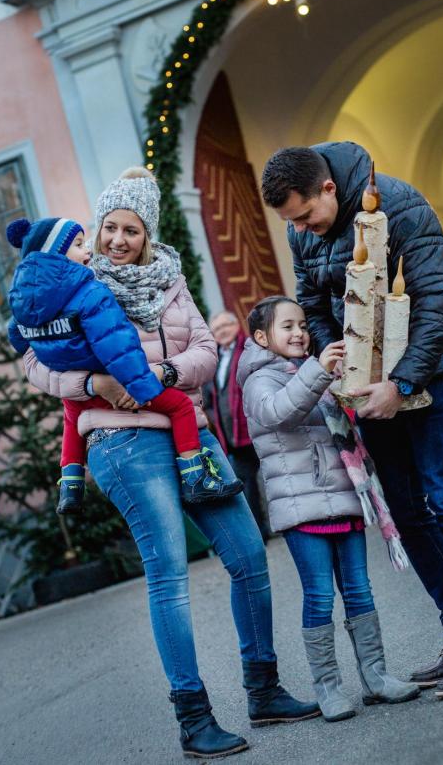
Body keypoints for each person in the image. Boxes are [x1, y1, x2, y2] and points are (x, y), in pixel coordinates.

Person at [22, 168, 319, 759]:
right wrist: (94, 381)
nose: (117, 240)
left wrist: (161, 373)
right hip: (120, 440)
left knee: (249, 558)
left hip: (190, 427)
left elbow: (206, 351)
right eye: (109, 227)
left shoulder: (170, 281)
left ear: (147, 234)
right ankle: (194, 718)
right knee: (169, 577)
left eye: (131, 230)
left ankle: (262, 688)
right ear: (98, 226)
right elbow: (32, 360)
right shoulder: (71, 276)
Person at [261, 142, 443, 699]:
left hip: (434, 373)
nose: (301, 229)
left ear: (328, 188)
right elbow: (312, 304)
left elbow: (438, 300)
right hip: (366, 386)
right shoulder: (300, 228)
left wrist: (402, 383)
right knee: (405, 512)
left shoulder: (400, 205)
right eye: (291, 222)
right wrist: (348, 370)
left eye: (306, 215)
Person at [238, 294, 419, 721]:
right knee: (319, 597)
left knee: (359, 589)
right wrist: (319, 370)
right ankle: (329, 688)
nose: (300, 332)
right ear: (262, 337)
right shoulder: (258, 381)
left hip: (344, 496)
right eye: (288, 326)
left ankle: (376, 677)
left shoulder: (309, 372)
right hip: (303, 509)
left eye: (302, 325)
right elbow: (280, 413)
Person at [5, 214, 242, 513]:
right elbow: (115, 344)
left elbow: (16, 336)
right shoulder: (88, 291)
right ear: (56, 252)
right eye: (79, 245)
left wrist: (79, 379)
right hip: (115, 381)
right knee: (180, 406)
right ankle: (195, 477)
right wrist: (140, 384)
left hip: (78, 384)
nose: (88, 250)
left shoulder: (24, 298)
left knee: (71, 415)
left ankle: (71, 483)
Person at [204, 310, 269, 541]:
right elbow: (209, 395)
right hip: (232, 435)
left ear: (236, 326)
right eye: (216, 329)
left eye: (225, 326)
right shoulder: (214, 358)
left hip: (257, 428)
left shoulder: (250, 349)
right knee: (245, 483)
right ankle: (259, 532)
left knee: (273, 477)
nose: (222, 332)